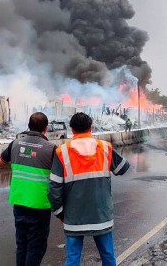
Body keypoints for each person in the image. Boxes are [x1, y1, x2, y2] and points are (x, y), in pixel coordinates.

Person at [48, 112, 130, 266]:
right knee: (108, 256)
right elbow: (123, 168)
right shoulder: (105, 147)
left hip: (74, 217)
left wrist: (60, 213)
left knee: (72, 258)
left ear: (72, 130)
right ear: (91, 128)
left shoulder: (62, 152)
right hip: (101, 216)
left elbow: (54, 189)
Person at [0, 112, 57, 266]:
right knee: (36, 247)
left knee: (22, 245)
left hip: (19, 201)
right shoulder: (51, 148)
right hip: (39, 204)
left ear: (28, 126)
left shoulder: (15, 144)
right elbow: (60, 174)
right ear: (45, 128)